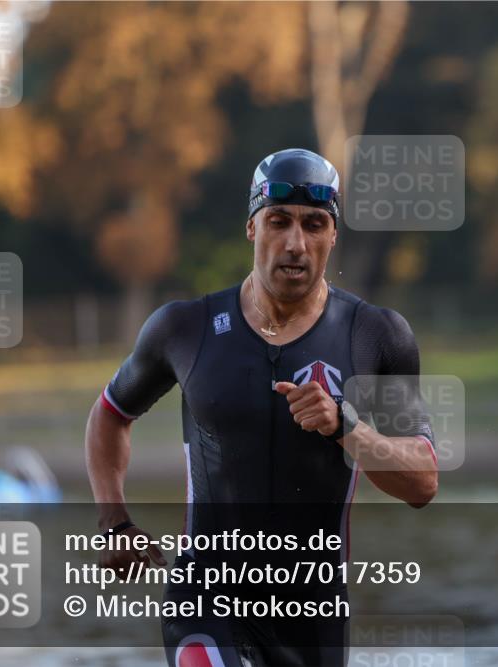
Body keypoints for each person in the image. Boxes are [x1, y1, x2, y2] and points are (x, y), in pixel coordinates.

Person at [85, 148, 439, 667]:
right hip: (206, 597)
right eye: (279, 222)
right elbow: (111, 414)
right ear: (252, 227)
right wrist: (113, 520)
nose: (296, 244)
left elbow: (424, 482)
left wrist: (347, 427)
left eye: (314, 225)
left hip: (313, 615)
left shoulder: (377, 336)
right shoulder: (185, 328)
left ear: (333, 235)